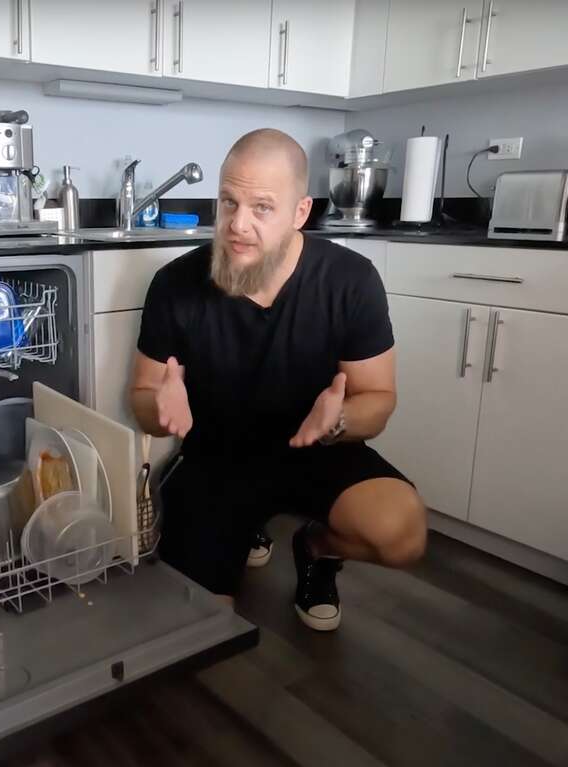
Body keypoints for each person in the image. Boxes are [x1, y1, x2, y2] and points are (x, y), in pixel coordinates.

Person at [129, 128, 426, 631]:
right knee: (203, 629)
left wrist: (340, 420)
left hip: (317, 453)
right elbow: (140, 394)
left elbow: (380, 398)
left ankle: (314, 549)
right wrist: (157, 408)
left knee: (402, 533)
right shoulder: (176, 284)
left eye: (262, 207)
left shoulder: (350, 280)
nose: (237, 225)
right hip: (216, 462)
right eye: (228, 202)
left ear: (300, 213)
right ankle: (245, 527)